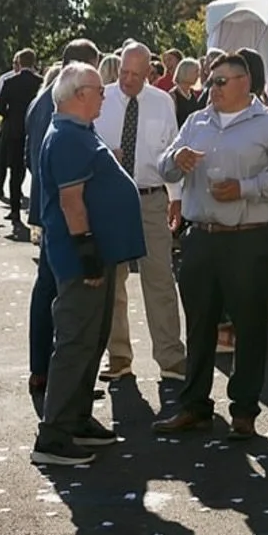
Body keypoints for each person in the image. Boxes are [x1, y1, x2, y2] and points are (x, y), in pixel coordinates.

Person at [152, 52, 268, 442]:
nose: (211, 88)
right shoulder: (196, 120)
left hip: (247, 236)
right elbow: (165, 165)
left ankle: (244, 410)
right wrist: (175, 159)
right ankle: (194, 406)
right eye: (209, 80)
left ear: (244, 83)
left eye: (219, 81)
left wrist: (246, 189)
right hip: (200, 234)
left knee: (249, 326)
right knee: (199, 324)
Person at [31, 61, 147, 469]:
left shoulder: (78, 132)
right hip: (81, 258)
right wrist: (86, 250)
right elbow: (70, 201)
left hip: (98, 254)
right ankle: (55, 433)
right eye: (99, 89)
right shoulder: (66, 137)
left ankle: (76, 418)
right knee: (76, 340)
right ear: (79, 94)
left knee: (92, 339)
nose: (105, 93)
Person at [95, 41, 186, 393]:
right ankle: (118, 357)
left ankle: (171, 358)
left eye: (136, 74)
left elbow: (172, 152)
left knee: (160, 279)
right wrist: (107, 157)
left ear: (149, 72)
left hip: (150, 198)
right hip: (112, 199)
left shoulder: (162, 102)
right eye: (124, 73)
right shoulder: (100, 99)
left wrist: (175, 197)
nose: (128, 80)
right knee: (112, 283)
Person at [26, 40, 98, 412]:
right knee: (61, 294)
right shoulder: (58, 108)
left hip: (46, 206)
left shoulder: (42, 99)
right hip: (61, 213)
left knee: (48, 289)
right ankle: (57, 378)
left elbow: (29, 158)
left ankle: (44, 371)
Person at [0, 49, 43, 222]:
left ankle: (15, 209)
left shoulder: (10, 82)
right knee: (36, 169)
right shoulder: (40, 82)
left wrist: (9, 116)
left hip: (14, 129)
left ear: (19, 62)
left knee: (15, 169)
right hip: (33, 130)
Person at [170, 58, 204, 126]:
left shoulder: (192, 94)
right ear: (186, 72)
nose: (198, 75)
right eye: (196, 71)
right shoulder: (173, 96)